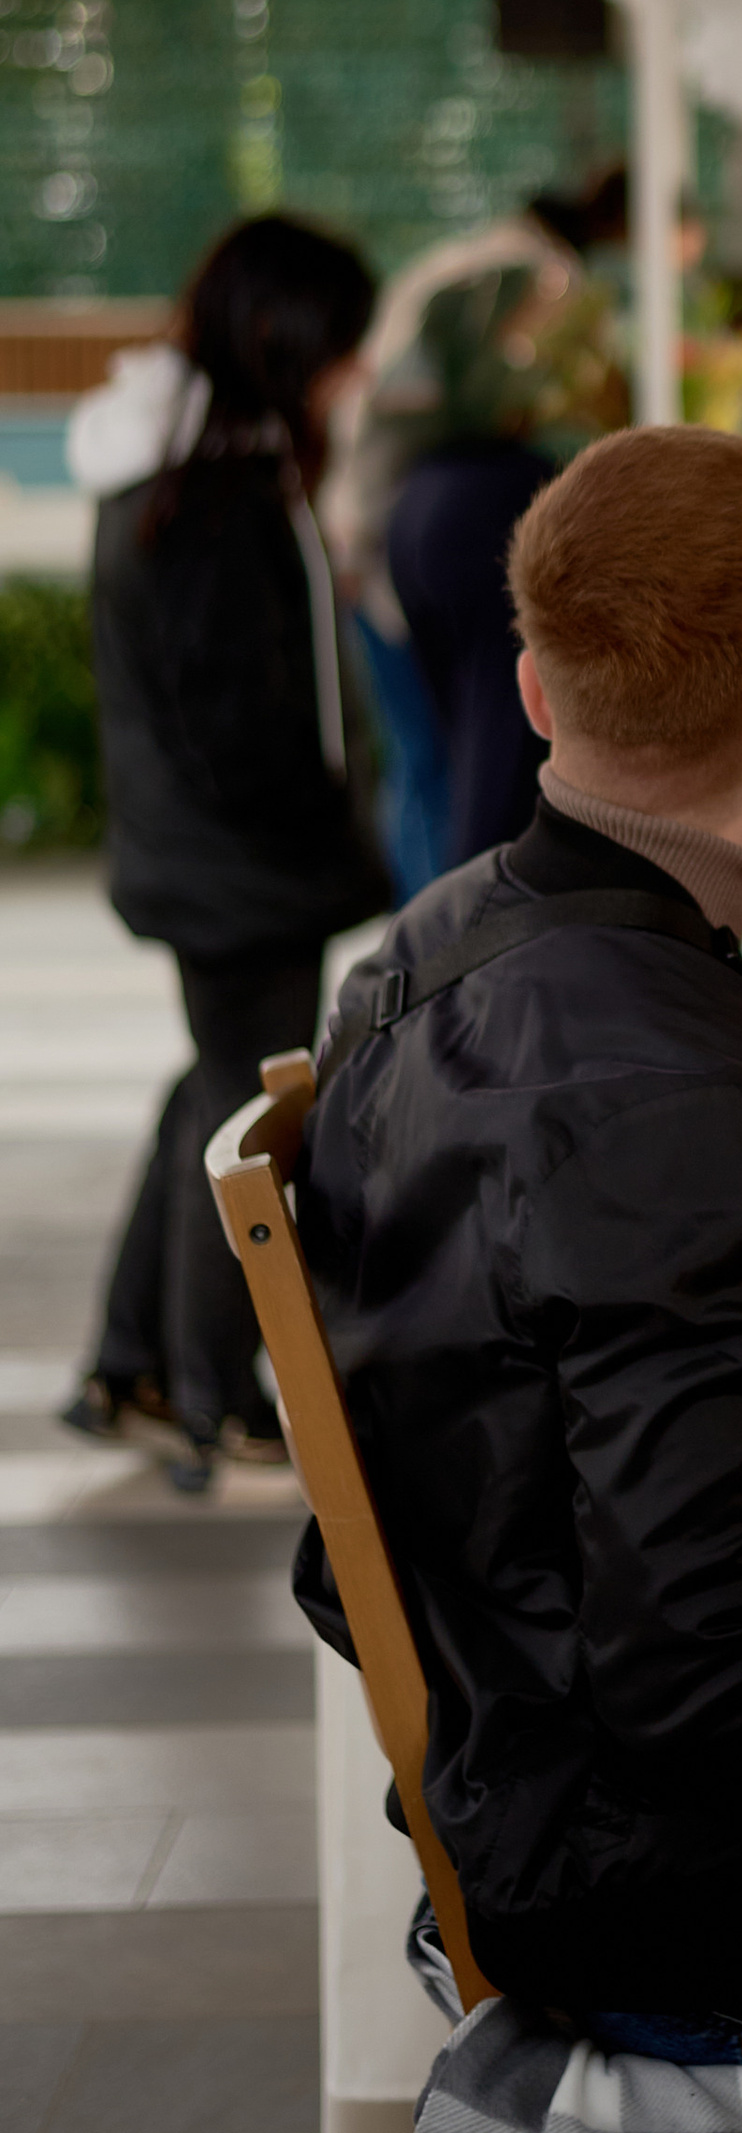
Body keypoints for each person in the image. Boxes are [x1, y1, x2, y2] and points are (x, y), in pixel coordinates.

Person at [290, 425, 742, 2044]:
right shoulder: (705, 1101)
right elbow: (714, 1693)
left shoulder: (413, 953)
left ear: (532, 690)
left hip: (505, 1789)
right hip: (686, 1917)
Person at [64, 215, 390, 1493]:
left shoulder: (182, 471)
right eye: (344, 346)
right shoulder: (212, 496)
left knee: (211, 1088)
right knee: (242, 1118)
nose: (358, 373)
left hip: (209, 861)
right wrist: (332, 832)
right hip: (242, 868)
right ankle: (211, 1388)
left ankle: (132, 1365)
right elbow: (241, 726)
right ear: (289, 342)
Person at [330, 174, 630, 893]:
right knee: (459, 762)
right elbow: (496, 393)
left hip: (383, 521)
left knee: (427, 758)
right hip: (414, 523)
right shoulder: (526, 274)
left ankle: (427, 933)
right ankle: (450, 932)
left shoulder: (468, 261)